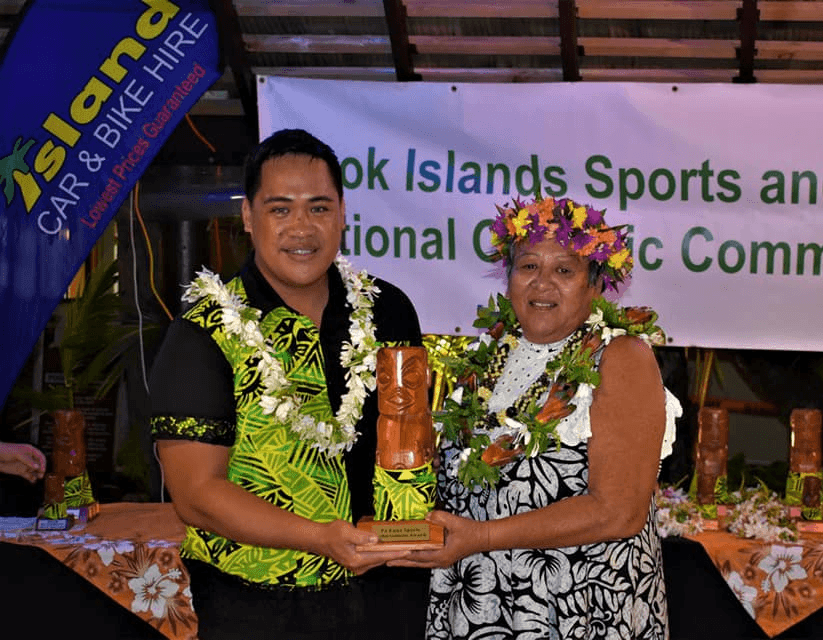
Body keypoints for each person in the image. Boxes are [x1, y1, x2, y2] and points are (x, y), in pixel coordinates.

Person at [149, 128, 428, 640]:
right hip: (259, 606)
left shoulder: (388, 309)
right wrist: (320, 538)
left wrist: (413, 529)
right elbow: (196, 495)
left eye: (319, 208)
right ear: (249, 219)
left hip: (388, 594)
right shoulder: (203, 332)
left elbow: (407, 438)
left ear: (343, 213)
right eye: (281, 209)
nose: (302, 227)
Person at [392, 195, 682, 638]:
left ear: (594, 284)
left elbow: (618, 512)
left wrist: (483, 537)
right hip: (481, 606)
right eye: (528, 266)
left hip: (577, 612)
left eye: (564, 270)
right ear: (508, 278)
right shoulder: (489, 355)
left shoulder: (621, 358)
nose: (542, 283)